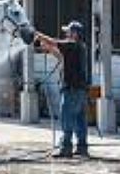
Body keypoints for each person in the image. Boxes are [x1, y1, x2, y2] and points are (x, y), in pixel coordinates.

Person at [35, 21, 89, 158]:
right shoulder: (80, 47)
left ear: (75, 34)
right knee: (79, 120)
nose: (66, 34)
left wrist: (36, 34)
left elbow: (53, 42)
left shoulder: (71, 44)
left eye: (68, 32)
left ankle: (66, 148)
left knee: (67, 119)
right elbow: (61, 56)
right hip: (81, 91)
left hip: (71, 90)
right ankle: (82, 148)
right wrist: (48, 48)